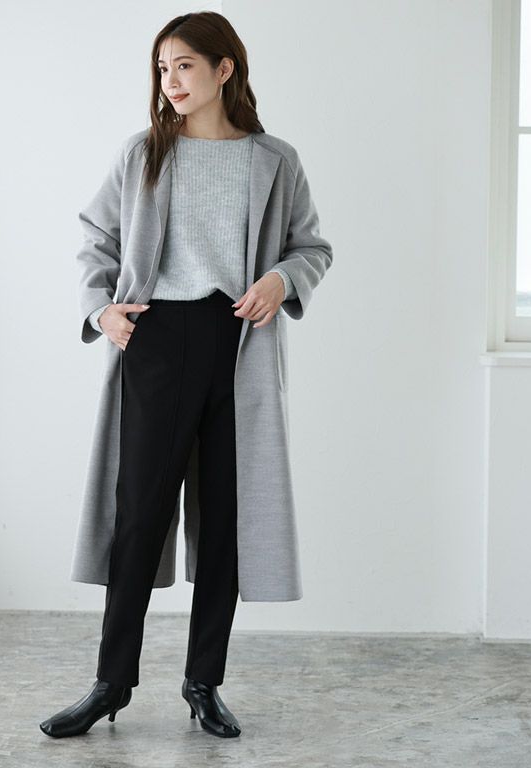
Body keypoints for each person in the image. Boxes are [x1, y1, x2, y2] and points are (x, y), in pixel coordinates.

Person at [40, 10, 332, 741]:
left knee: (226, 519)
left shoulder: (274, 160)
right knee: (138, 515)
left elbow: (312, 247)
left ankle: (204, 684)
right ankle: (111, 683)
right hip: (156, 341)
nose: (170, 80)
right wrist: (102, 310)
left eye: (184, 65)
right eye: (162, 67)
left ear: (224, 69)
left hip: (238, 343)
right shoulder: (143, 153)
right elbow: (97, 238)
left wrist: (281, 279)